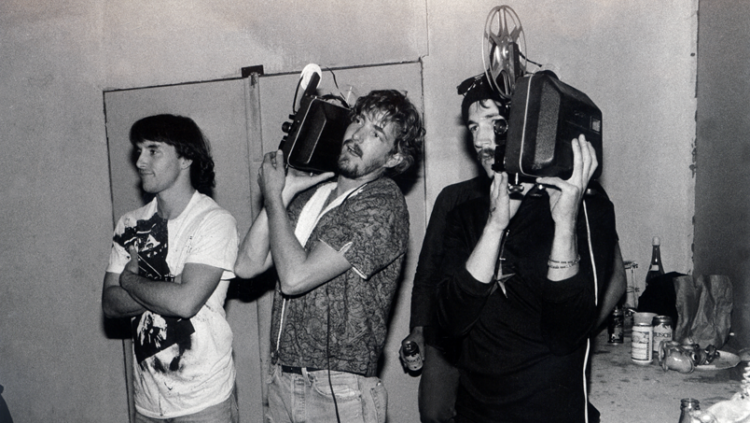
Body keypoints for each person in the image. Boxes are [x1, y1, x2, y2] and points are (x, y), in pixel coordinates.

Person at [433, 73, 619, 423]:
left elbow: (566, 334)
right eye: (473, 127)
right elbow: (449, 322)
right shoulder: (465, 215)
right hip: (476, 415)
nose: (481, 140)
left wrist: (564, 224)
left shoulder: (588, 210)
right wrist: (495, 226)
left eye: (495, 123)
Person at [234, 90, 425, 423]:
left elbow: (294, 278)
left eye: (376, 134)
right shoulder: (314, 195)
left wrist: (273, 198)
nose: (357, 135)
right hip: (283, 378)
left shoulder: (382, 203)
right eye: (358, 121)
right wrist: (286, 191)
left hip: (339, 388)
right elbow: (247, 265)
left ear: (394, 158)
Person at [102, 114, 239, 423]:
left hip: (204, 404)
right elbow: (110, 304)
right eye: (139, 150)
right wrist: (170, 285)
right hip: (148, 403)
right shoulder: (130, 223)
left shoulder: (214, 222)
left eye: (153, 150)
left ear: (185, 158)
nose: (140, 161)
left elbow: (185, 303)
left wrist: (130, 280)